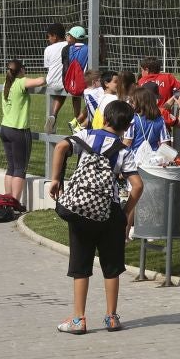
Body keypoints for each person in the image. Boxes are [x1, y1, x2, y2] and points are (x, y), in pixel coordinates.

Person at [49, 100, 143, 335]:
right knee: (111, 265)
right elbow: (137, 186)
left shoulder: (86, 135)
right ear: (127, 125)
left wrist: (55, 179)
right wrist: (124, 211)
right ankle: (111, 317)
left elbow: (61, 147)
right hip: (109, 211)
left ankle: (79, 319)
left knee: (80, 264)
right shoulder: (124, 151)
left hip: (82, 209)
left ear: (105, 118)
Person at [0, 60, 45, 203]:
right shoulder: (20, 82)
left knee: (11, 167)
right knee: (20, 169)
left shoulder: (6, 84)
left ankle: (8, 199)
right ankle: (15, 203)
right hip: (18, 130)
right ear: (20, 71)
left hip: (5, 128)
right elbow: (41, 80)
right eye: (24, 69)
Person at [136, 56, 180, 130]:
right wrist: (174, 99)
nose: (141, 73)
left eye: (141, 70)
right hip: (164, 119)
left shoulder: (140, 81)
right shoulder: (168, 77)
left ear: (147, 70)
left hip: (143, 119)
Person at [42, 23, 69, 135]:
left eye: (49, 36)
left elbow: (49, 67)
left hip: (51, 81)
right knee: (73, 91)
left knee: (59, 90)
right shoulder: (70, 45)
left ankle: (52, 116)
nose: (48, 39)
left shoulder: (48, 49)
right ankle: (77, 118)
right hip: (65, 82)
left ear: (55, 36)